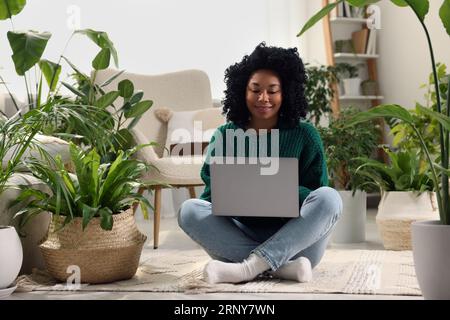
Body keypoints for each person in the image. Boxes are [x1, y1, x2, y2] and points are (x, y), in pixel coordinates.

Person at [178, 42, 343, 284]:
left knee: (331, 198)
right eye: (255, 90)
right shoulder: (224, 136)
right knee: (189, 210)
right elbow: (210, 198)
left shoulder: (305, 135)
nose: (263, 98)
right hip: (241, 235)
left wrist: (278, 190)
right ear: (242, 92)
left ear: (285, 92)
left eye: (272, 90)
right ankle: (282, 268)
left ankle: (246, 269)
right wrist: (238, 194)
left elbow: (317, 197)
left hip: (296, 241)